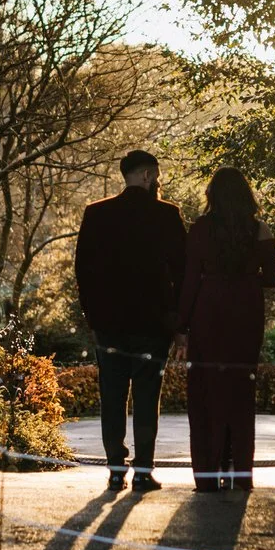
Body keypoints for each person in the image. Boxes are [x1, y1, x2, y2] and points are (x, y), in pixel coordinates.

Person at [75, 150, 188, 492]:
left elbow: (83, 270)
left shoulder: (97, 213)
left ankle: (114, 469)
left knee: (111, 397)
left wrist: (93, 316)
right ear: (148, 175)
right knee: (146, 397)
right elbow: (182, 271)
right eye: (156, 175)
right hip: (153, 323)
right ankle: (143, 471)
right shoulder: (167, 215)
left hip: (109, 323)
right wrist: (179, 322)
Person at [178, 167, 275, 493]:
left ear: (212, 195)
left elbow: (190, 280)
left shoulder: (201, 229)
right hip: (246, 313)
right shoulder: (259, 230)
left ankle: (207, 474)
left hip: (209, 312)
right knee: (240, 392)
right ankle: (241, 473)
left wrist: (181, 325)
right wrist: (249, 278)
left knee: (206, 394)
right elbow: (273, 278)